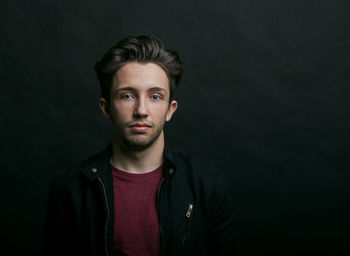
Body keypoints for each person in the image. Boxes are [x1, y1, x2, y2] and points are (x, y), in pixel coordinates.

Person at [45, 35, 234, 256]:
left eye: (155, 96)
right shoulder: (71, 189)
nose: (141, 110)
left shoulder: (207, 186)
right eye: (127, 95)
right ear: (106, 108)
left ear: (170, 109)